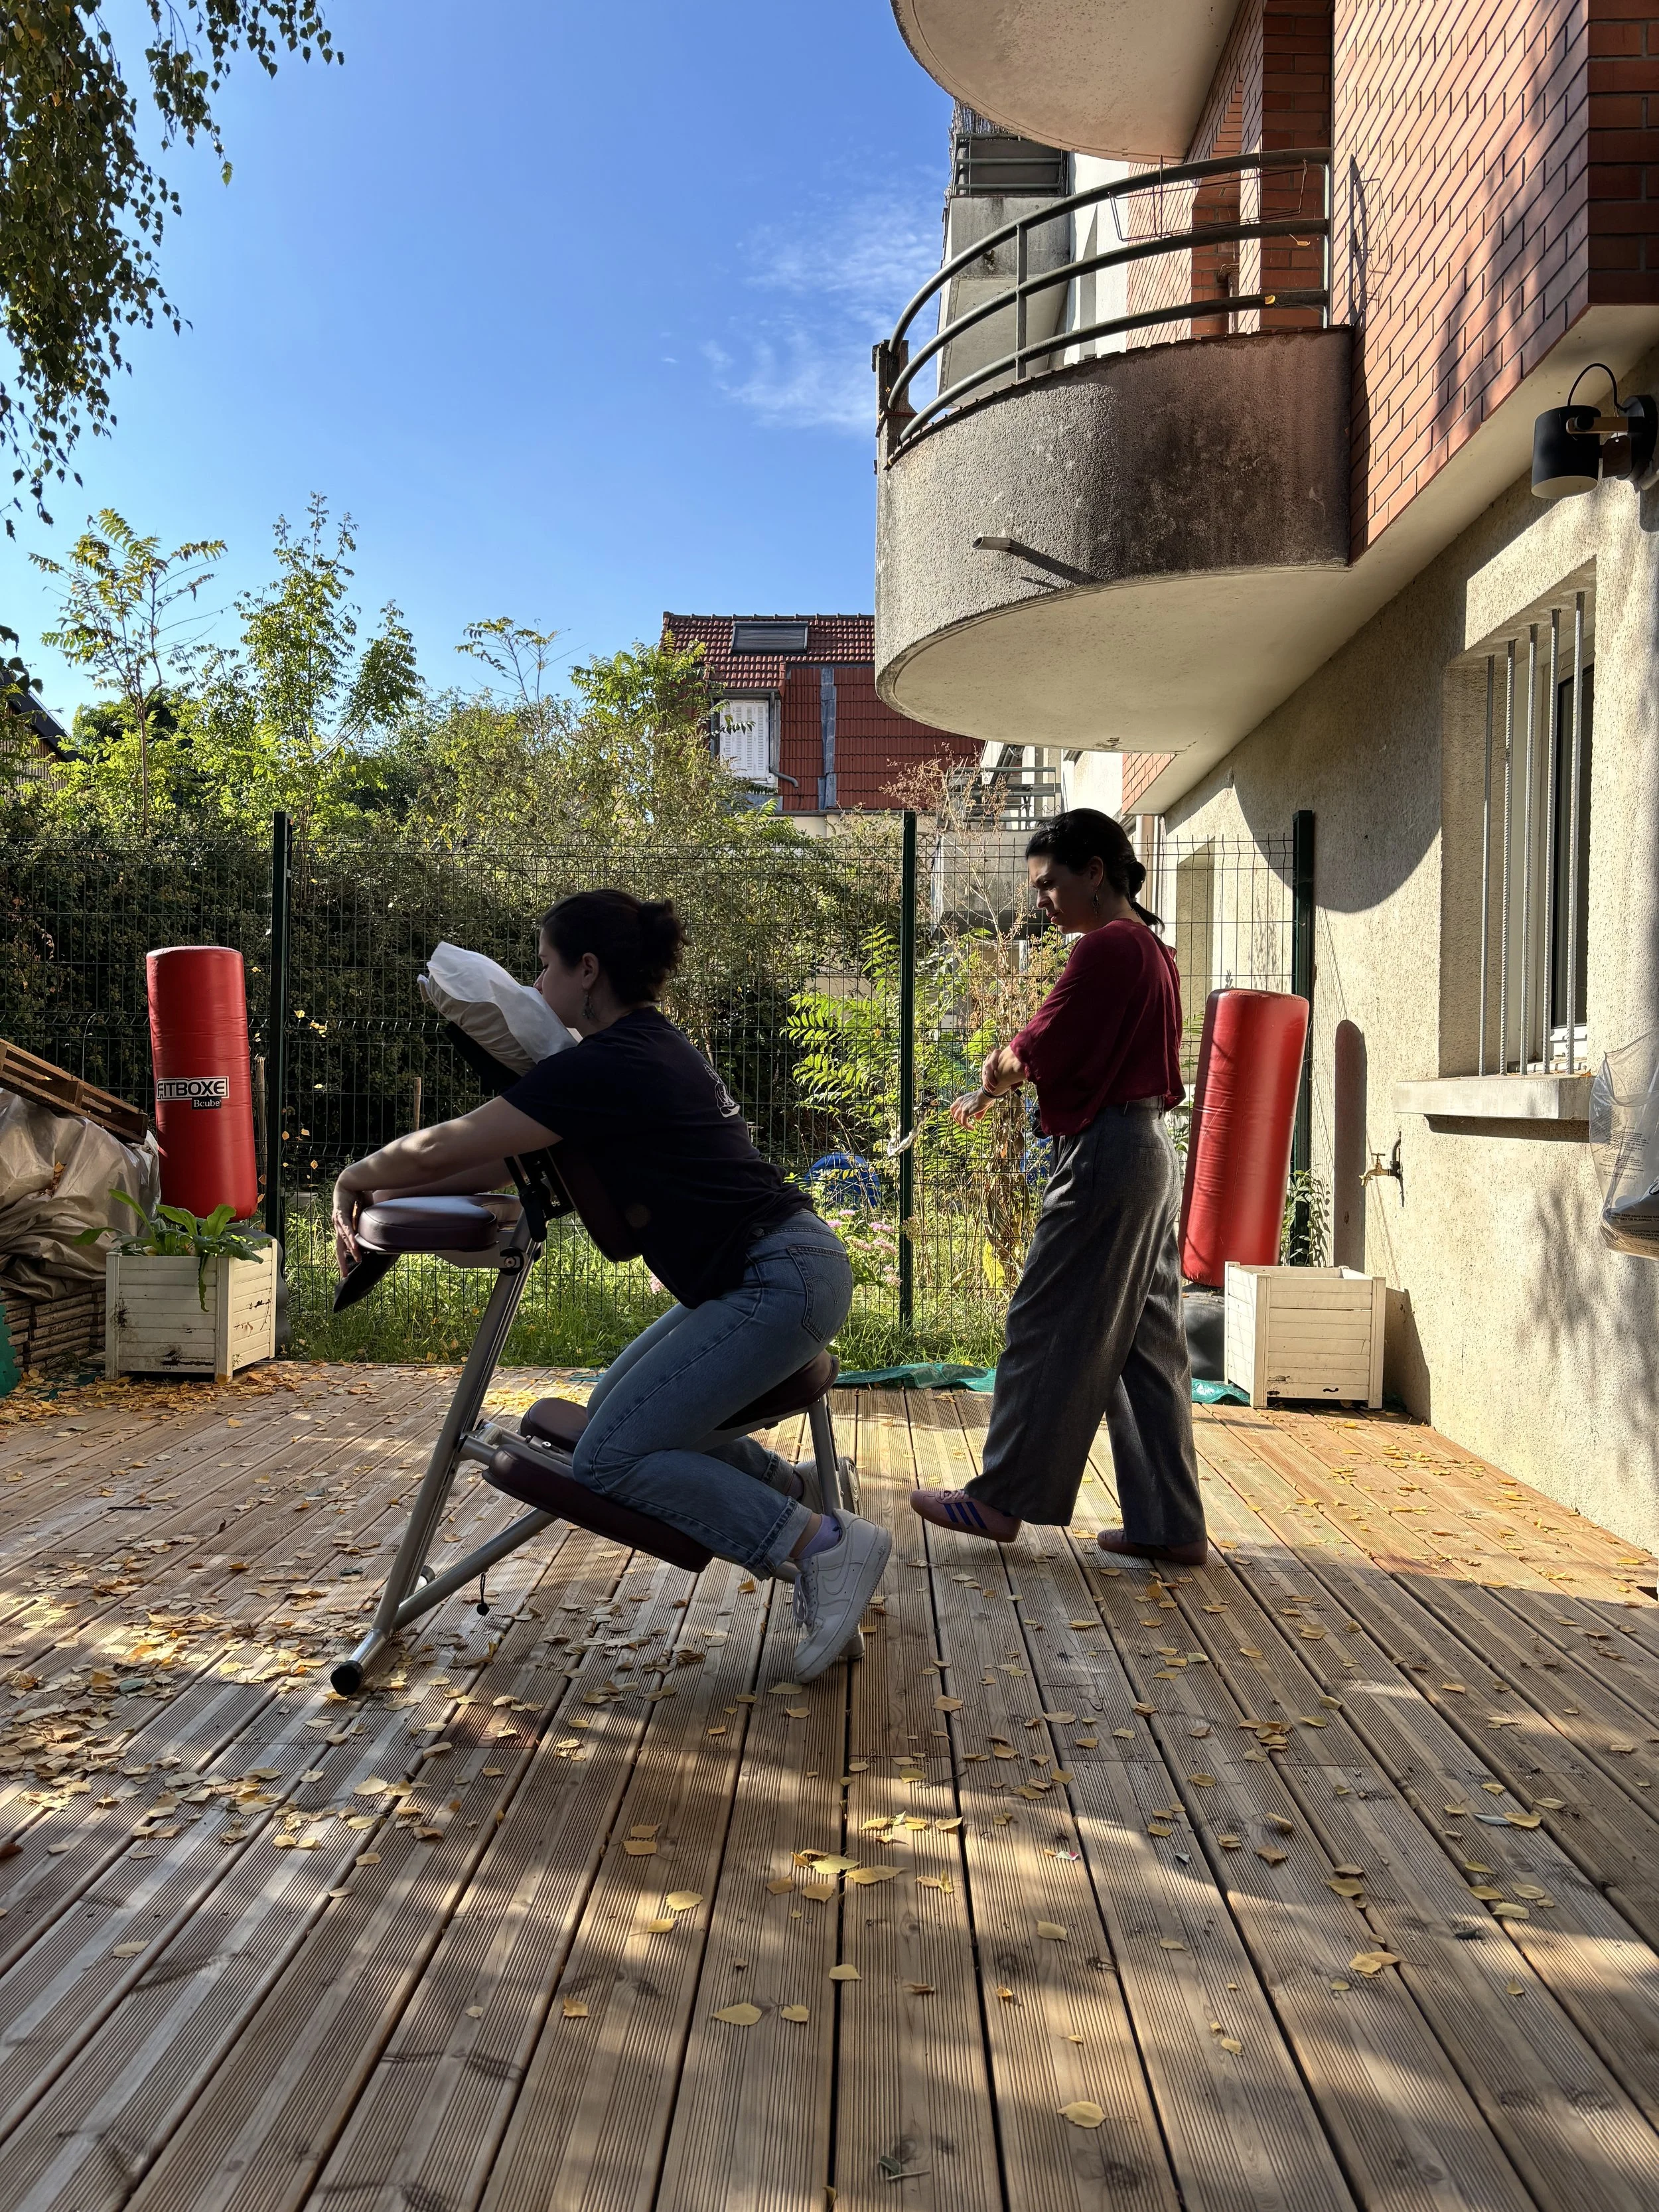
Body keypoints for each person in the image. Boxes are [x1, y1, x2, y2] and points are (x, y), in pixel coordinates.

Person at [332, 889, 891, 1678]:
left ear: (587, 969)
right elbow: (500, 1154)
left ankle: (821, 1545)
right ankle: (800, 1489)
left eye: (544, 965)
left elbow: (449, 1143)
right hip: (778, 1270)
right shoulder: (640, 1049)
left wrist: (356, 1176)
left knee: (611, 1460)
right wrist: (393, 1187)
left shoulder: (608, 1062)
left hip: (777, 1281)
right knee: (615, 1422)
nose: (534, 985)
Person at [908, 810, 1206, 1565]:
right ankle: (1166, 1524)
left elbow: (1037, 1045)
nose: (1041, 899)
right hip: (1146, 1151)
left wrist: (996, 1070)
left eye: (1049, 884)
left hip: (1108, 1155)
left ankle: (1000, 1498)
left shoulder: (1107, 948)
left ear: (1095, 872)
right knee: (1147, 1346)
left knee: (1045, 1322)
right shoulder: (1154, 949)